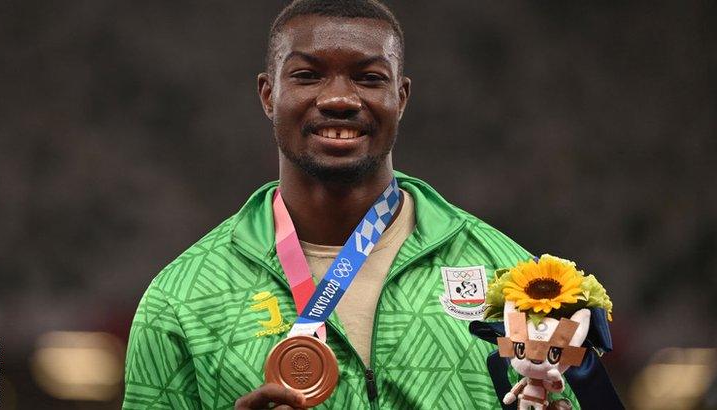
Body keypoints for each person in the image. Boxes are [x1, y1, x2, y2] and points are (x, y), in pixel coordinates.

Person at [123, 1, 580, 409]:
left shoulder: (514, 278)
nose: (339, 98)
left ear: (400, 98)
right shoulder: (181, 300)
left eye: (368, 78)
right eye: (307, 75)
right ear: (268, 95)